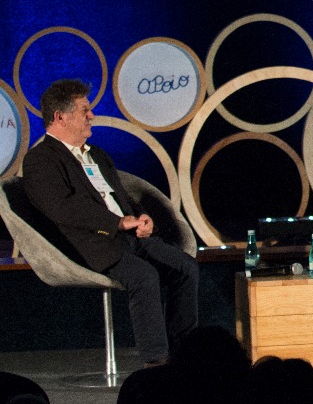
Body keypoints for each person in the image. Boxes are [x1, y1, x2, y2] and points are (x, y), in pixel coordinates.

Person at [22, 79, 199, 367]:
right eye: (84, 110)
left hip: (130, 236)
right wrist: (117, 223)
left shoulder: (98, 155)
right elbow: (63, 209)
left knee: (186, 267)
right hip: (91, 243)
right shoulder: (40, 160)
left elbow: (122, 195)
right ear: (60, 117)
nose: (91, 115)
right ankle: (156, 364)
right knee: (144, 276)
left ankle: (183, 355)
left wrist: (141, 217)